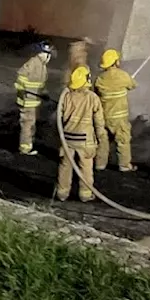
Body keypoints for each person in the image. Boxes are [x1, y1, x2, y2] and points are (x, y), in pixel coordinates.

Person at [55, 65, 106, 202]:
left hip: (67, 138)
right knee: (86, 167)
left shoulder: (66, 96)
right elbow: (99, 120)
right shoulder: (92, 97)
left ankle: (62, 193)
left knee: (65, 166)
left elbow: (59, 118)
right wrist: (101, 137)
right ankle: (85, 194)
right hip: (85, 139)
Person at [93, 48, 138, 172]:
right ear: (115, 62)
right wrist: (130, 79)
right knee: (123, 139)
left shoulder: (100, 78)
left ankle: (100, 164)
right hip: (119, 117)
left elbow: (95, 93)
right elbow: (133, 85)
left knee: (103, 140)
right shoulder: (122, 75)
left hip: (104, 116)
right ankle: (124, 165)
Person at [14, 41, 54, 155]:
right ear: (43, 54)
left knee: (30, 124)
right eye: (48, 54)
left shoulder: (42, 66)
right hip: (27, 101)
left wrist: (44, 93)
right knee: (27, 124)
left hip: (34, 101)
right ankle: (25, 148)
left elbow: (40, 84)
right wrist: (23, 90)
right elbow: (21, 77)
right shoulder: (33, 63)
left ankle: (28, 144)